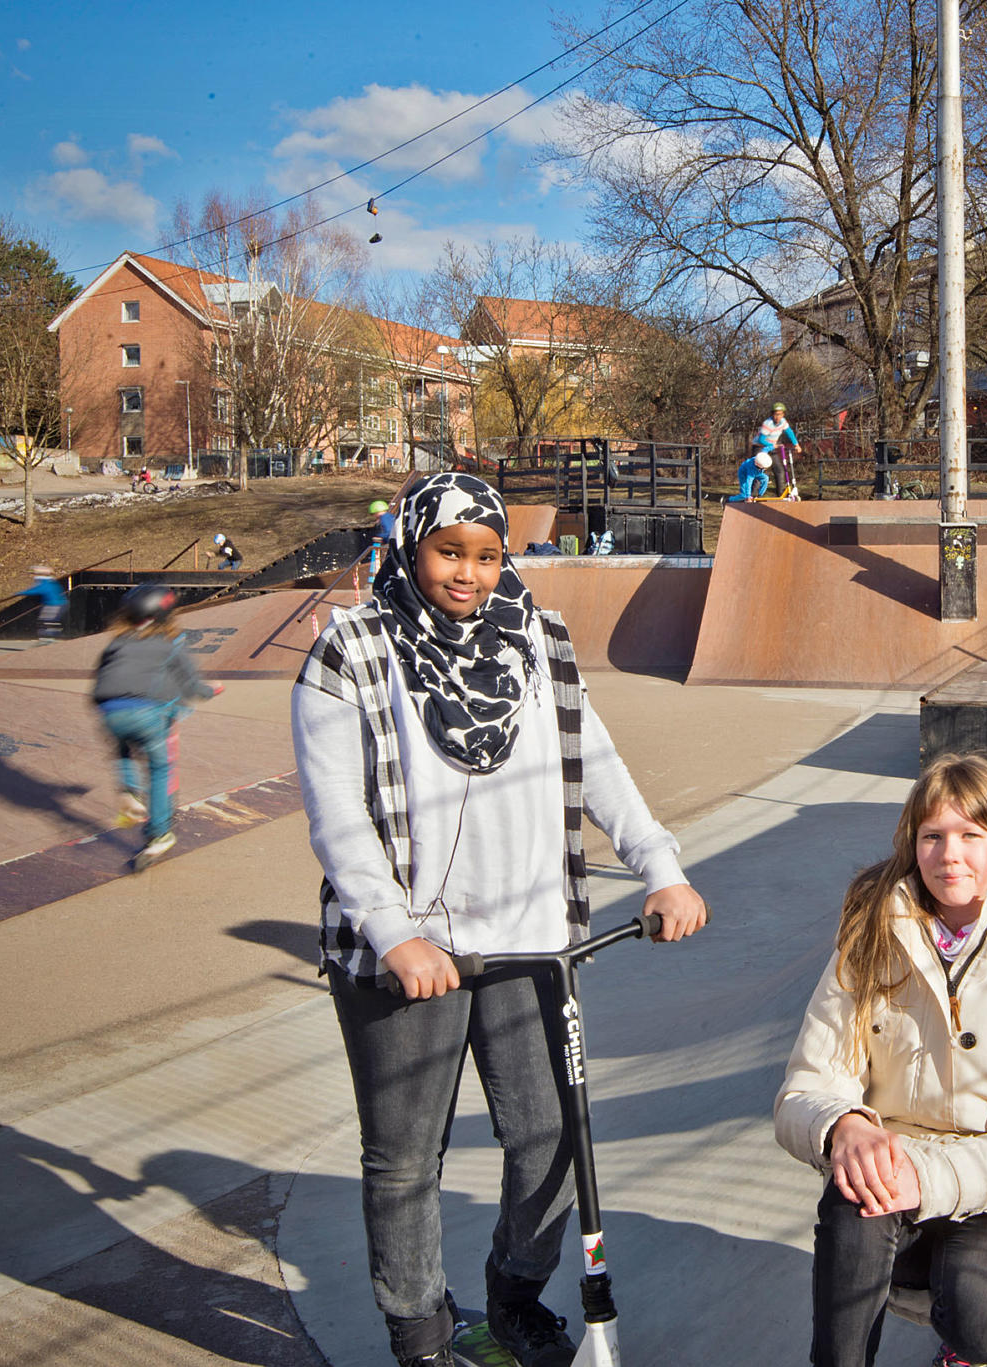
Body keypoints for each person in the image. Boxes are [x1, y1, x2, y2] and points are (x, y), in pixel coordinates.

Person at [291, 472, 710, 1367]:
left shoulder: (537, 638)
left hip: (529, 942)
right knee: (407, 1157)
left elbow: (598, 763)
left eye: (487, 555)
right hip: (410, 950)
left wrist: (661, 868)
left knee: (550, 1135)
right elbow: (338, 816)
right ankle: (421, 1335)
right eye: (450, 551)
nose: (469, 573)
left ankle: (513, 1293)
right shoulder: (351, 650)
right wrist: (395, 932)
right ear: (411, 545)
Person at [776, 754, 987, 1367]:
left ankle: (961, 1341)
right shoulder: (873, 933)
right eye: (931, 836)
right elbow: (807, 1084)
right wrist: (844, 1126)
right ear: (913, 844)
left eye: (970, 836)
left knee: (978, 1310)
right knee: (858, 1195)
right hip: (893, 1178)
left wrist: (929, 1179)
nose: (948, 855)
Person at [92, 584, 221, 871]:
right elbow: (191, 685)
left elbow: (104, 677)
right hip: (148, 713)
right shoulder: (168, 644)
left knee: (122, 748)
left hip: (109, 710)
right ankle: (159, 833)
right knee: (160, 768)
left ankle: (131, 791)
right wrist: (210, 691)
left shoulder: (117, 643)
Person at [22, 563, 68, 641]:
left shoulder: (44, 582)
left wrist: (21, 593)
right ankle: (48, 636)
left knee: (47, 620)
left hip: (54, 604)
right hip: (56, 603)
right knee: (47, 620)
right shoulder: (51, 581)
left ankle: (50, 637)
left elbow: (37, 590)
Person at [768, 401, 803, 497]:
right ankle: (751, 496)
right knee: (758, 472)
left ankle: (781, 495)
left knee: (780, 470)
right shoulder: (768, 423)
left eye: (780, 414)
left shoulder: (783, 422)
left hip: (772, 448)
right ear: (772, 414)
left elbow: (789, 432)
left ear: (783, 414)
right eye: (775, 414)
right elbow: (762, 439)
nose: (778, 417)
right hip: (762, 448)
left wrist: (796, 445)